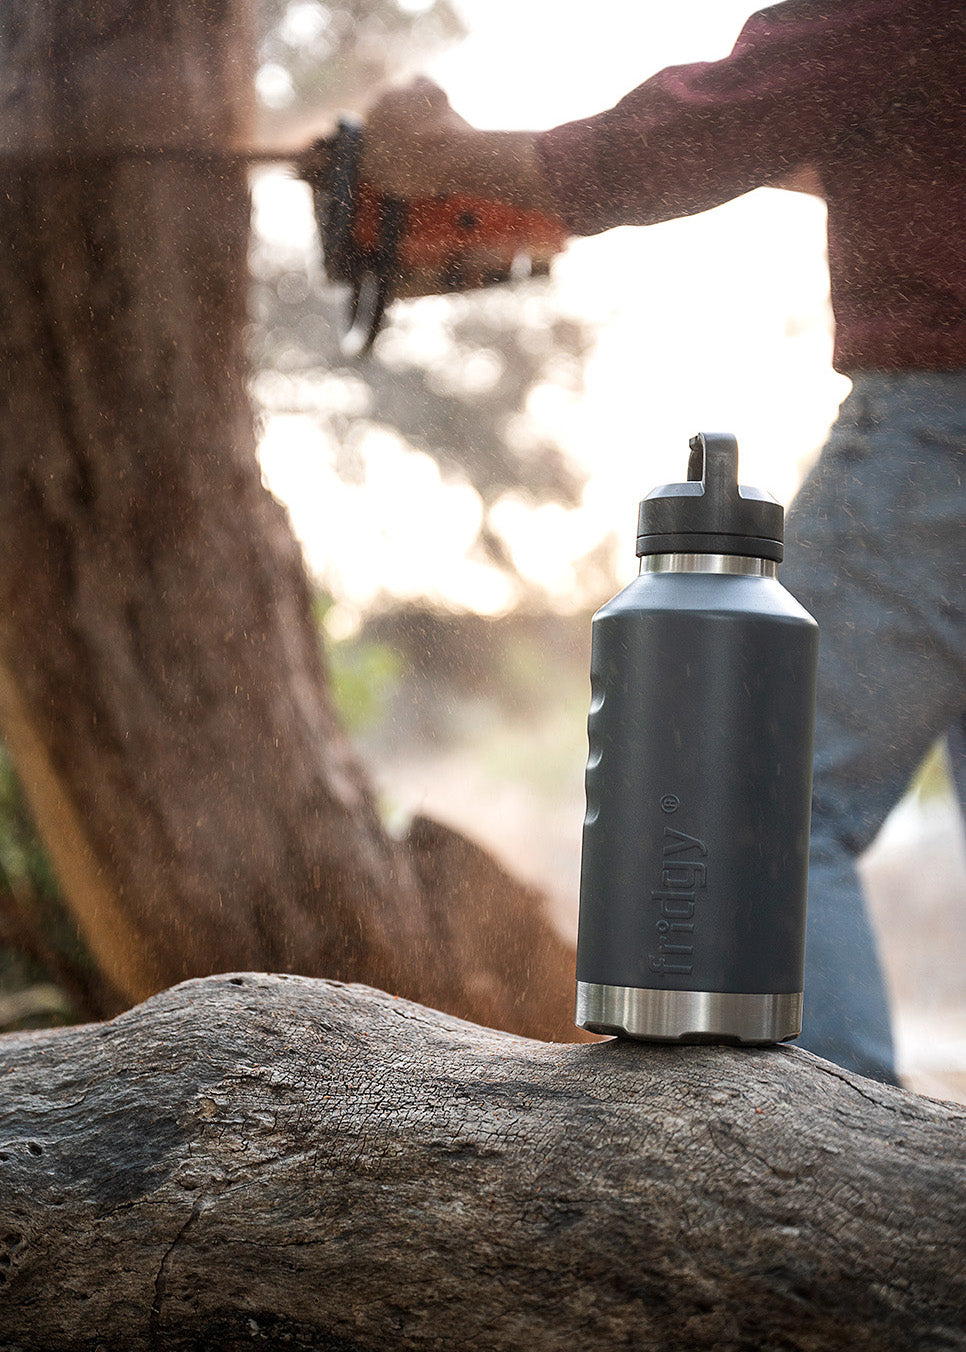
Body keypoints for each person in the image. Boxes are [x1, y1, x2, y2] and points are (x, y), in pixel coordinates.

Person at [356, 0, 965, 1085]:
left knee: (751, 797)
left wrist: (439, 155)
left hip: (940, 434)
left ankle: (824, 1168)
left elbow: (690, 134)